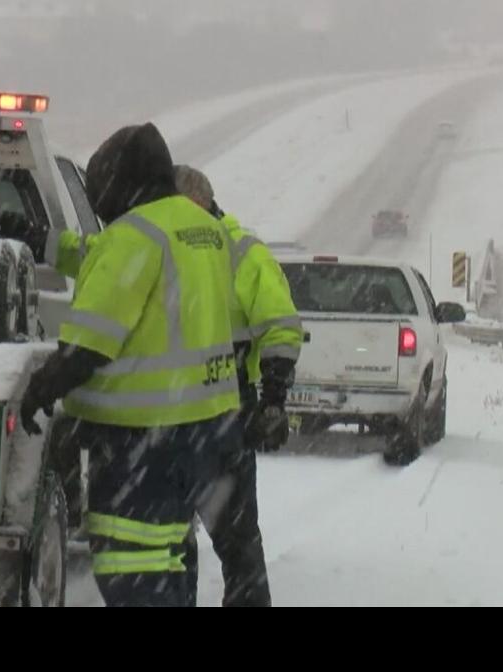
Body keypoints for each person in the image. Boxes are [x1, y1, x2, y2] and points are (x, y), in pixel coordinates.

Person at [18, 123, 241, 607]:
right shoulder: (202, 228)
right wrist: (29, 234)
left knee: (131, 569)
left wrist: (41, 388)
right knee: (168, 558)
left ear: (120, 180)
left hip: (144, 440)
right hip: (205, 428)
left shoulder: (133, 236)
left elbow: (90, 344)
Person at [174, 165, 303, 607]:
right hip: (178, 411)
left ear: (202, 206)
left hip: (221, 414)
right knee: (176, 542)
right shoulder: (163, 243)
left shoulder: (239, 249)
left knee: (234, 542)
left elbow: (280, 325)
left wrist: (273, 400)